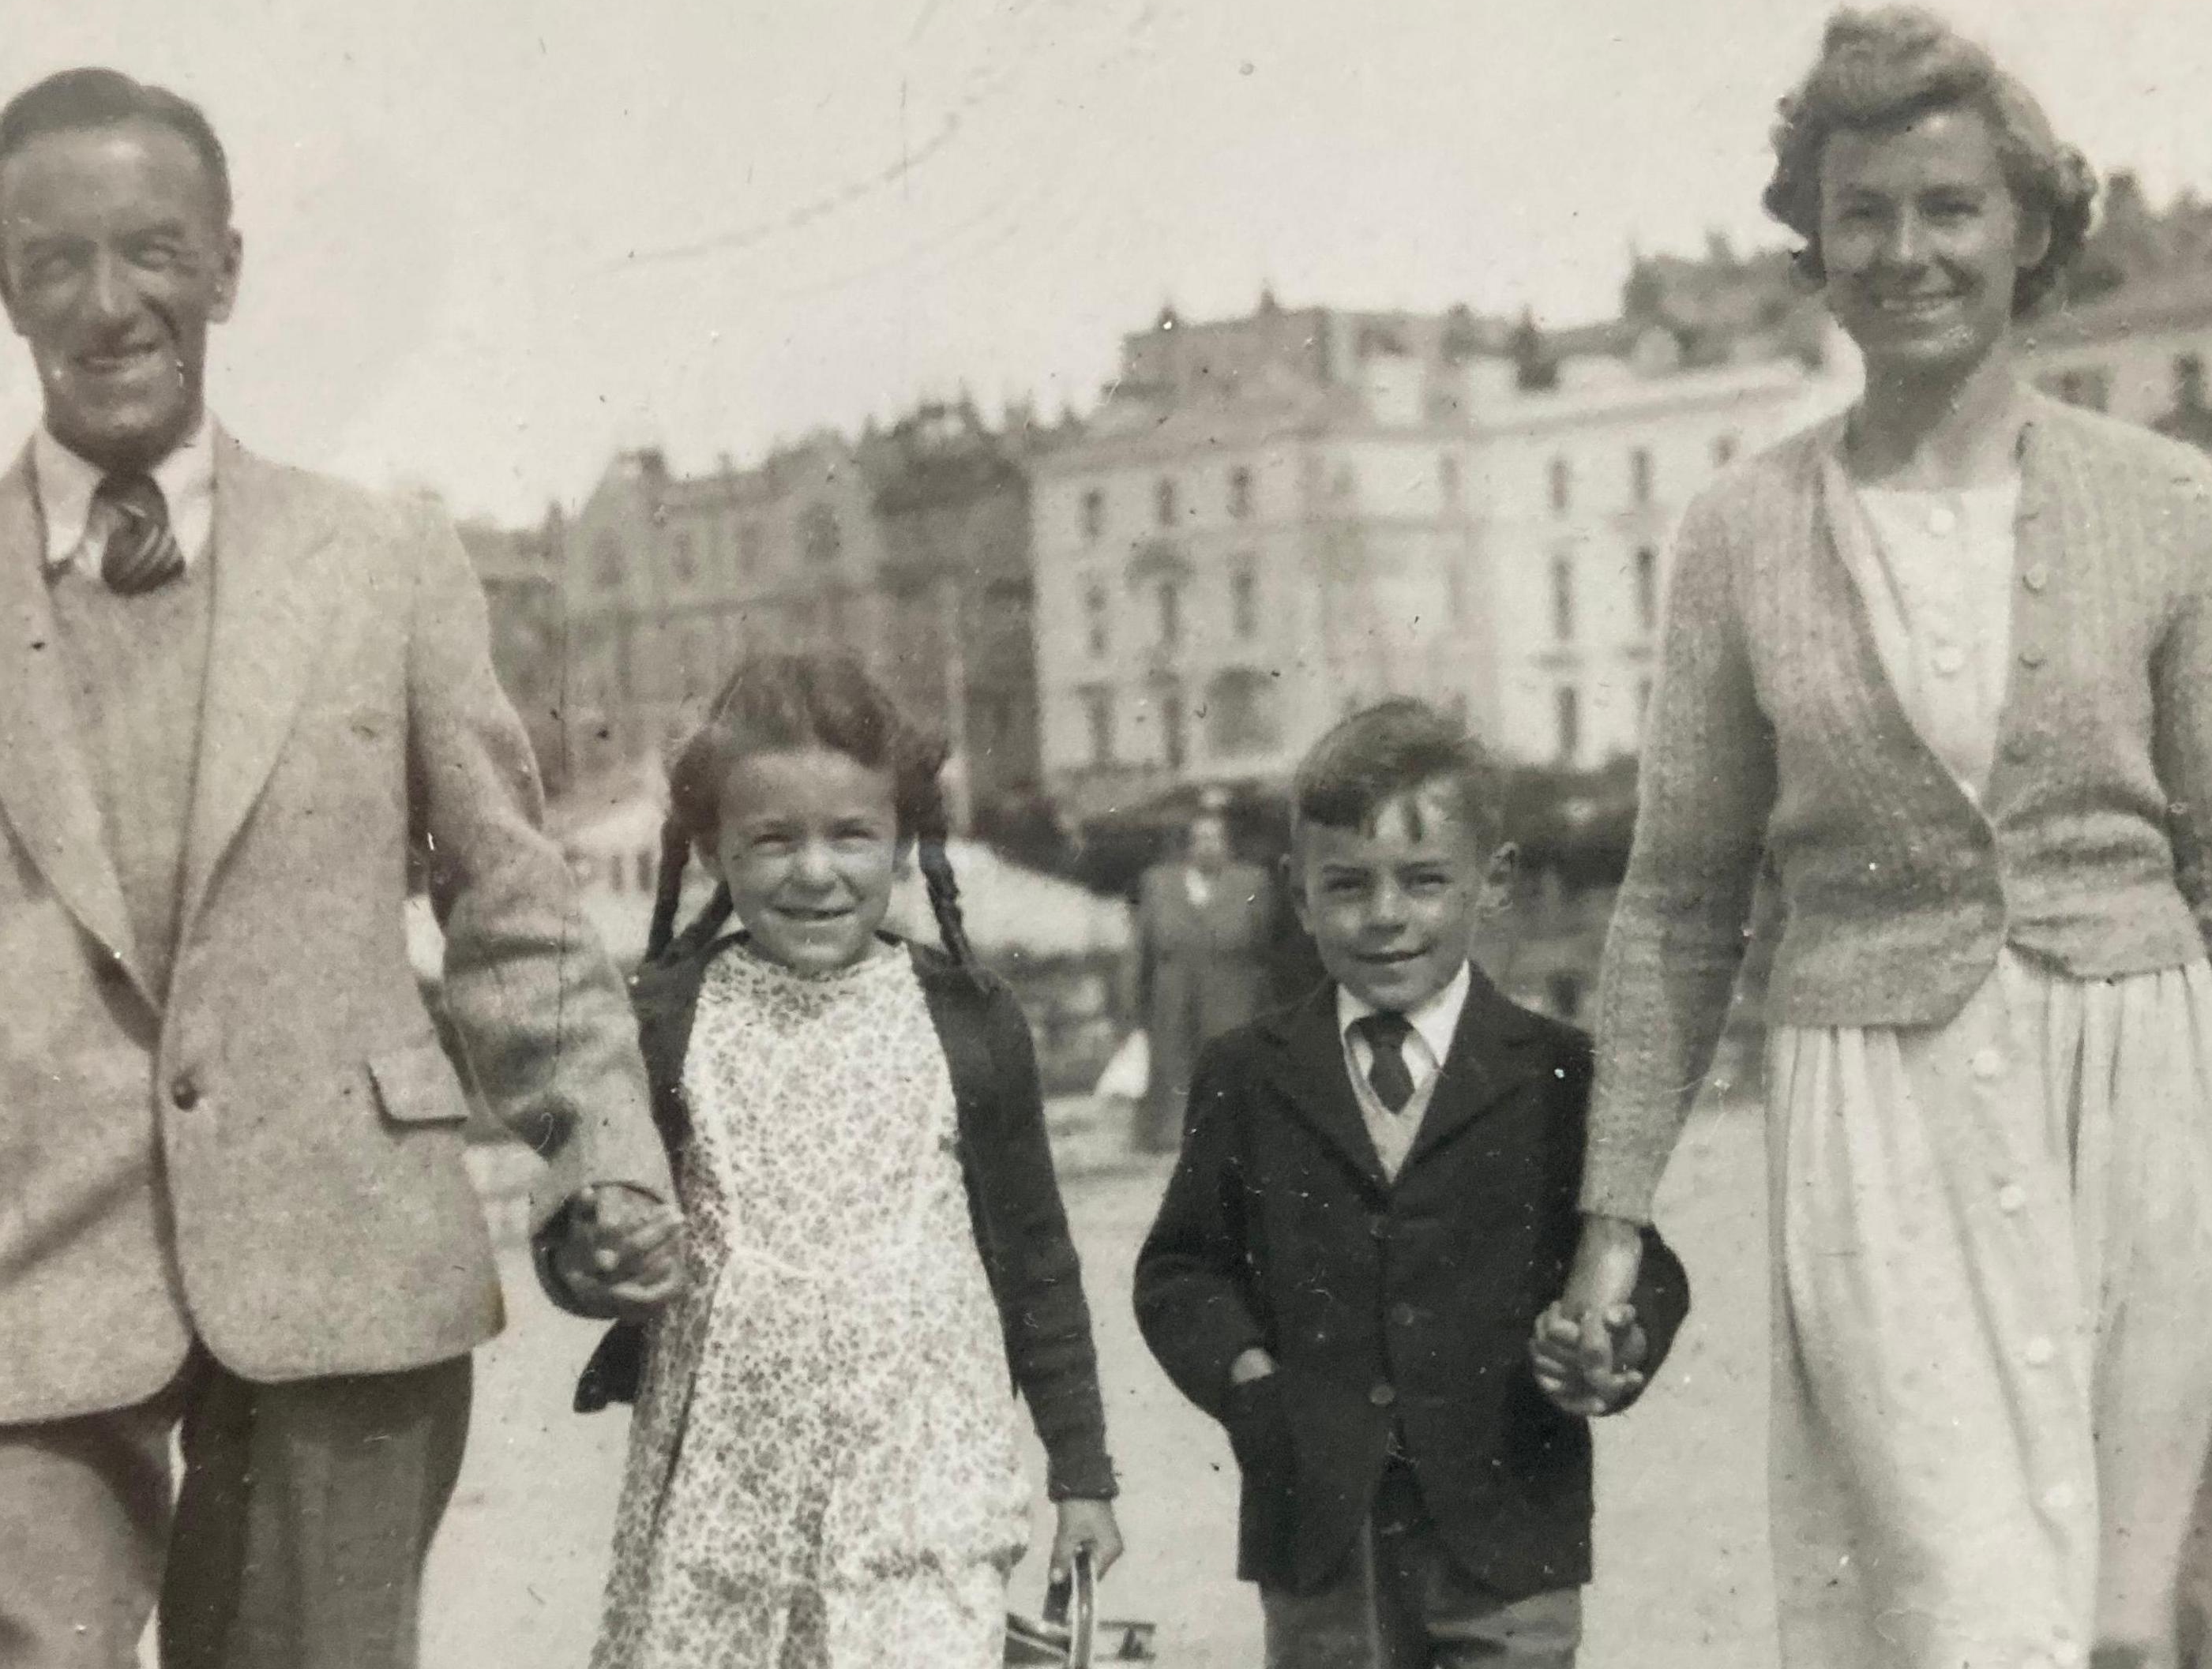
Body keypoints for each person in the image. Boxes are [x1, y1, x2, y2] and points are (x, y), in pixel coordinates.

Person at [0, 68, 683, 1669]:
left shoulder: (385, 565)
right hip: (14, 1291)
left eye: (155, 252)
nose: (111, 307)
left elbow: (513, 910)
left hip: (343, 1260)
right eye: (57, 263)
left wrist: (608, 1158)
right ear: (0, 286)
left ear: (226, 266)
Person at [1547, 9, 2212, 1668]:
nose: (1907, 252)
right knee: (1959, 1609)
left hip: (2145, 1093)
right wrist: (1610, 1222)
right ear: (1815, 242)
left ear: (2029, 227)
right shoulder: (1738, 534)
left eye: (1949, 208)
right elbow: (1675, 907)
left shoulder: (2164, 502)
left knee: (2144, 1614)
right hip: (1880, 1116)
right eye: (1862, 213)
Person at [569, 651, 1125, 1667]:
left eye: (852, 836)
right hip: (722, 1505)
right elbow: (599, 1227)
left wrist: (1081, 1473)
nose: (815, 872)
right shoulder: (669, 1021)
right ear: (710, 849)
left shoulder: (971, 1024)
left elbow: (1039, 1261)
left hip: (923, 1489)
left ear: (906, 845)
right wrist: (597, 1247)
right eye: (773, 840)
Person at [1136, 699, 1688, 1669]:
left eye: (1425, 881)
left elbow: (1641, 1254)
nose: (1385, 916)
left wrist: (1617, 1337)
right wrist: (1246, 1380)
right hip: (1320, 1529)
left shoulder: (1561, 1071)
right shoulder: (1247, 1071)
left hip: (1510, 1522)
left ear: (1495, 881)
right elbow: (1182, 1270)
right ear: (1297, 897)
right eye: (1346, 886)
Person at [1131, 799, 1275, 1150]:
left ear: (1227, 844)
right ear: (1188, 845)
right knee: (1173, 1064)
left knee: (1228, 1063)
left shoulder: (1251, 881)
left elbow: (1264, 944)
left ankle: (1233, 1134)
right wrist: (1136, 1002)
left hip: (1230, 988)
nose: (1208, 846)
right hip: (1174, 988)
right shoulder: (1159, 883)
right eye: (1201, 838)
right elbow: (1142, 948)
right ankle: (1172, 1135)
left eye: (1216, 838)